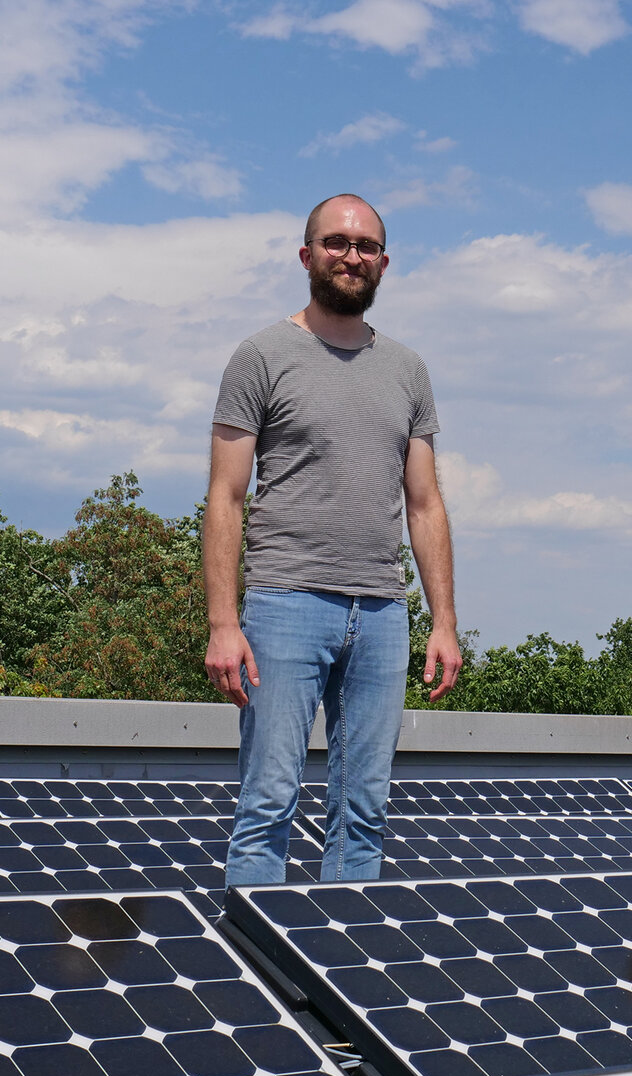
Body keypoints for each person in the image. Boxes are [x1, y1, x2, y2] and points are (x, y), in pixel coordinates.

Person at [204, 193, 462, 887]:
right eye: (338, 243)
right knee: (267, 808)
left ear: (384, 262)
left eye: (367, 246)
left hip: (381, 613)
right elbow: (226, 497)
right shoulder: (261, 356)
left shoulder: (408, 370)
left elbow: (426, 502)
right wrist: (223, 622)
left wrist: (444, 622)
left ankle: (334, 983)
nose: (353, 256)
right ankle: (257, 986)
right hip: (285, 604)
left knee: (365, 815)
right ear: (307, 255)